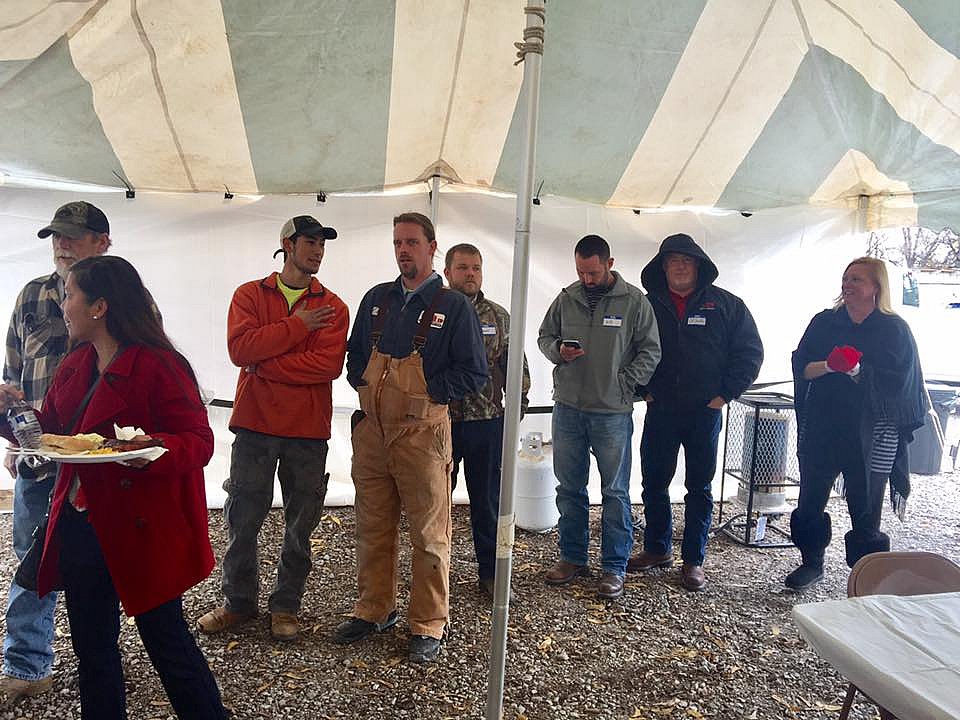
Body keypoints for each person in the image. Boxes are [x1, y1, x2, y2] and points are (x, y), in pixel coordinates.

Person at [0, 255, 226, 719]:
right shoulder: (76, 362)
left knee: (167, 643)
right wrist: (10, 413)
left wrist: (152, 448)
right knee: (92, 648)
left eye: (70, 296)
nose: (64, 306)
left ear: (99, 307)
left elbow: (199, 441)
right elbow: (52, 433)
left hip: (142, 528)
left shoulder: (161, 365)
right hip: (82, 525)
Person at [332, 212, 487, 663]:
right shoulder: (377, 299)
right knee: (372, 526)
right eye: (398, 242)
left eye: (412, 242)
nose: (403, 250)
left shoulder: (453, 306)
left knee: (429, 533)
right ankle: (374, 609)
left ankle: (428, 622)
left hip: (422, 435)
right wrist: (366, 383)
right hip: (373, 434)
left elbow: (474, 372)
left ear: (432, 247)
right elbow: (355, 355)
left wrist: (428, 393)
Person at [197, 216, 348, 640]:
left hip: (307, 430)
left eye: (322, 243)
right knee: (242, 518)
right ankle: (237, 602)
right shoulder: (249, 294)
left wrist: (263, 363)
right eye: (310, 242)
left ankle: (286, 606)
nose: (317, 250)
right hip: (255, 426)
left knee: (301, 524)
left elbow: (327, 366)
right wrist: (299, 327)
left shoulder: (334, 306)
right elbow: (240, 349)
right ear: (287, 244)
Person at [1, 201, 111, 706]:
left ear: (102, 242)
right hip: (38, 455)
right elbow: (14, 370)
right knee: (32, 559)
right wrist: (15, 436)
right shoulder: (31, 295)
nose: (62, 244)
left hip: (99, 462)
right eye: (56, 236)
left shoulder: (127, 298)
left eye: (72, 236)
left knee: (103, 560)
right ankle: (27, 665)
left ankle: (105, 657)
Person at [628, 234, 763, 591]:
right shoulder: (646, 306)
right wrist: (643, 390)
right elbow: (626, 348)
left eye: (687, 260)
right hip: (661, 408)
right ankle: (657, 548)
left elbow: (750, 352)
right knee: (654, 482)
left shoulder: (726, 305)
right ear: (662, 267)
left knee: (699, 487)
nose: (680, 266)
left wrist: (724, 394)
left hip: (705, 411)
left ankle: (693, 560)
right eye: (673, 260)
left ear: (699, 266)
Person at [786, 257, 928, 591]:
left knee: (865, 505)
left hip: (873, 431)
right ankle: (811, 562)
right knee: (810, 500)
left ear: (876, 287)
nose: (848, 285)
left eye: (857, 280)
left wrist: (859, 371)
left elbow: (902, 384)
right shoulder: (825, 322)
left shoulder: (893, 329)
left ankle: (866, 573)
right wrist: (830, 365)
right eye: (846, 278)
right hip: (823, 424)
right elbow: (801, 366)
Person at [538, 234, 661, 600]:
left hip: (612, 412)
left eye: (593, 272)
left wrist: (625, 382)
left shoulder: (634, 301)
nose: (586, 279)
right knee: (569, 488)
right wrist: (558, 351)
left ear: (610, 263)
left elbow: (651, 350)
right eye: (581, 272)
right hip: (569, 407)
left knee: (615, 491)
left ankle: (614, 566)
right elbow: (545, 337)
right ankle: (572, 557)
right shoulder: (567, 298)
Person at [443, 243, 530, 597]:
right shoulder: (434, 311)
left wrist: (518, 405)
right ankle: (435, 576)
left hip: (487, 422)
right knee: (436, 505)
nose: (470, 274)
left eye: (476, 268)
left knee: (488, 503)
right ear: (447, 272)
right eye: (463, 267)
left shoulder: (498, 317)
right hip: (441, 422)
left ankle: (492, 574)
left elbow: (516, 365)